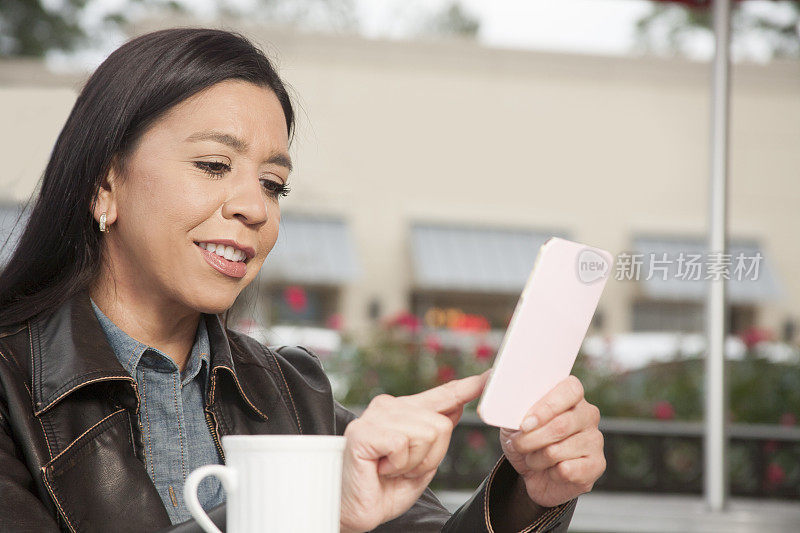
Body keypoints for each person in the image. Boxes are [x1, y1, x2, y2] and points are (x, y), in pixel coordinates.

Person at [0, 27, 605, 532]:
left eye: (273, 183)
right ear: (105, 183)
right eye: (214, 165)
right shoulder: (11, 389)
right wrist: (304, 509)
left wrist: (529, 492)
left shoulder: (290, 393)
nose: (255, 208)